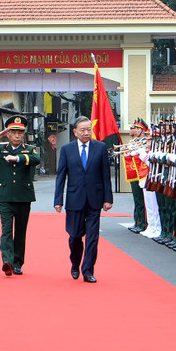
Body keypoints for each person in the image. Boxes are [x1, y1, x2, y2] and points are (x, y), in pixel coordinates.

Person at [0, 115, 41, 276]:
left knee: (20, 231)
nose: (17, 136)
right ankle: (7, 261)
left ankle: (18, 262)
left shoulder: (30, 149)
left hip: (23, 197)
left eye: (20, 132)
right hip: (4, 196)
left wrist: (17, 158)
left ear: (24, 134)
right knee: (6, 230)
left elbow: (35, 159)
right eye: (13, 132)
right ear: (8, 133)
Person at [54, 116, 113, 283]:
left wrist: (108, 199)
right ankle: (75, 263)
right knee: (74, 236)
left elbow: (105, 175)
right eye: (83, 130)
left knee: (92, 237)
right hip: (74, 199)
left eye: (89, 129)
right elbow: (61, 177)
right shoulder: (66, 150)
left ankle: (88, 270)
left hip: (95, 199)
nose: (86, 133)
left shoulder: (100, 148)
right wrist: (58, 200)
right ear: (75, 132)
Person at [124, 118, 150, 233]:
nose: (132, 130)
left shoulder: (146, 142)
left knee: (142, 200)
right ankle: (138, 221)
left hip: (142, 174)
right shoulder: (133, 142)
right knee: (137, 199)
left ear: (141, 130)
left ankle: (143, 223)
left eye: (134, 128)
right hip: (133, 173)